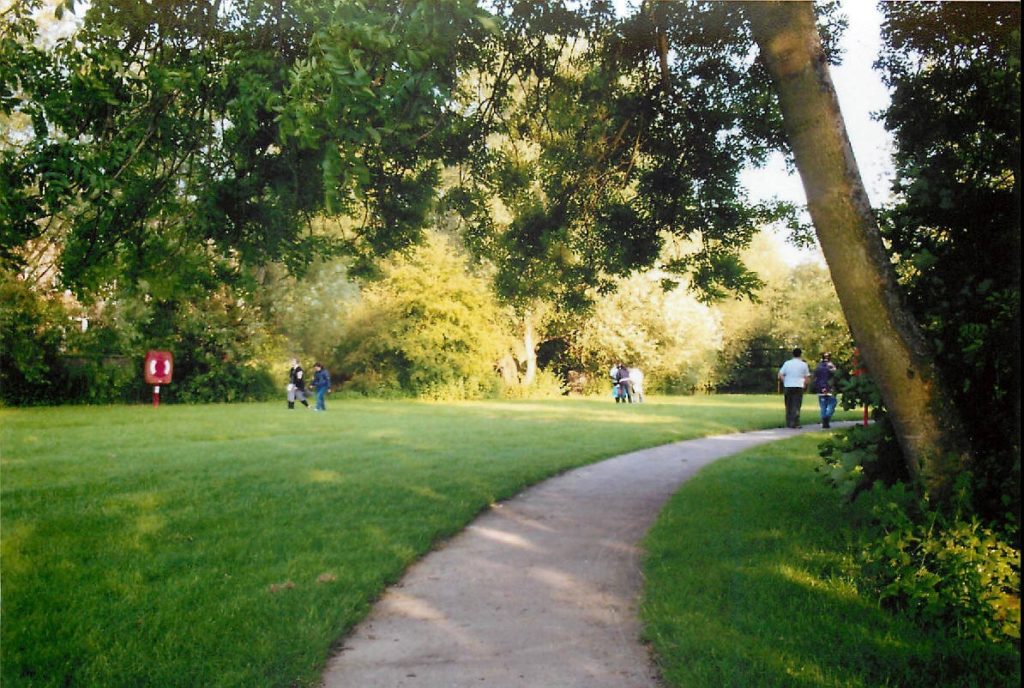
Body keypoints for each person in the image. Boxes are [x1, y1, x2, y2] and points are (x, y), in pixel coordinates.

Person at [778, 348, 810, 428]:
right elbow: (807, 377)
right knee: (796, 405)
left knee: (788, 404)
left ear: (792, 354)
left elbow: (780, 374)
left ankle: (789, 422)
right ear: (800, 354)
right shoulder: (803, 364)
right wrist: (805, 385)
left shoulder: (787, 363)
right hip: (799, 386)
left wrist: (785, 381)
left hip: (788, 385)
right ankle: (796, 422)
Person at [813, 352, 838, 428]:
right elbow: (835, 372)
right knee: (832, 403)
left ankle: (824, 421)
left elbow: (815, 377)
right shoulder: (830, 366)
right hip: (829, 387)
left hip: (820, 388)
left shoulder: (818, 367)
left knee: (823, 406)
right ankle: (826, 418)